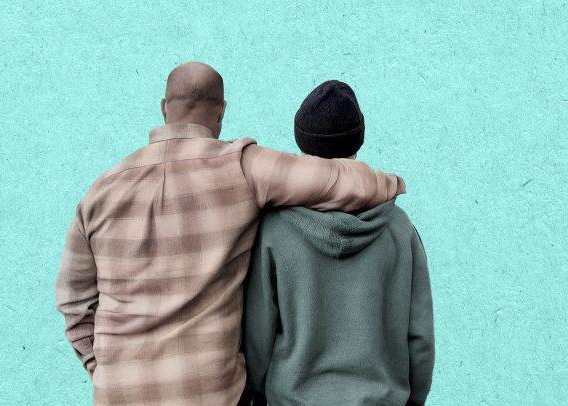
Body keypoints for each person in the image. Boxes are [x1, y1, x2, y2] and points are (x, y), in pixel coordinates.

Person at [55, 63, 406, 405]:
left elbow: (74, 304)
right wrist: (392, 184)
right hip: (212, 393)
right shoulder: (241, 167)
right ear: (221, 112)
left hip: (119, 393)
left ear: (164, 108)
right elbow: (336, 181)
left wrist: (103, 370)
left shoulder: (99, 193)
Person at [242, 80, 434, 406]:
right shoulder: (399, 229)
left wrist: (260, 396)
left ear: (301, 141)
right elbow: (420, 339)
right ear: (358, 139)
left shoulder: (275, 230)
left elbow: (257, 339)